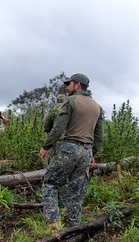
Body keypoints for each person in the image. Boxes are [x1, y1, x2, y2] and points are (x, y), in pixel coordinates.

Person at [39, 73, 104, 229]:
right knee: (76, 191)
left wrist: (46, 146)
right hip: (86, 152)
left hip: (68, 148)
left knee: (50, 183)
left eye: (69, 84)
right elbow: (99, 135)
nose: (67, 87)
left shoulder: (71, 101)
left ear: (77, 85)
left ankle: (54, 223)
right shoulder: (97, 107)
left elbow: (58, 127)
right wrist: (93, 154)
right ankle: (72, 229)